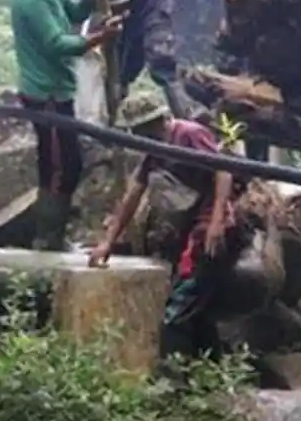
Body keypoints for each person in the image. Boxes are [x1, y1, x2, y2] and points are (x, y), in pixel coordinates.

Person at [88, 93, 248, 360]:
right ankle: (211, 371)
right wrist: (108, 241)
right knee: (196, 309)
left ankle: (172, 379)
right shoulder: (154, 152)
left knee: (177, 313)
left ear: (163, 119)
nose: (145, 136)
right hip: (191, 221)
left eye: (148, 128)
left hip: (213, 221)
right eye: (139, 132)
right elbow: (132, 195)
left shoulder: (188, 134)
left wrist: (217, 222)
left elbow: (223, 170)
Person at [9, 0, 123, 251]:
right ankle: (48, 238)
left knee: (62, 163)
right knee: (61, 166)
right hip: (45, 93)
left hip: (56, 91)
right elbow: (58, 43)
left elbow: (75, 12)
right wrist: (100, 39)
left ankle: (53, 235)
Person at [58, 0, 191, 118]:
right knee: (120, 72)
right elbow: (75, 9)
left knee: (160, 60)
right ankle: (115, 118)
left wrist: (100, 30)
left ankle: (186, 116)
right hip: (124, 20)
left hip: (148, 8)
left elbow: (120, 4)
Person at [223, 0, 284, 161]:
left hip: (265, 40)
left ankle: (260, 164)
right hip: (240, 38)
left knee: (259, 104)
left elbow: (279, 1)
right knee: (232, 100)